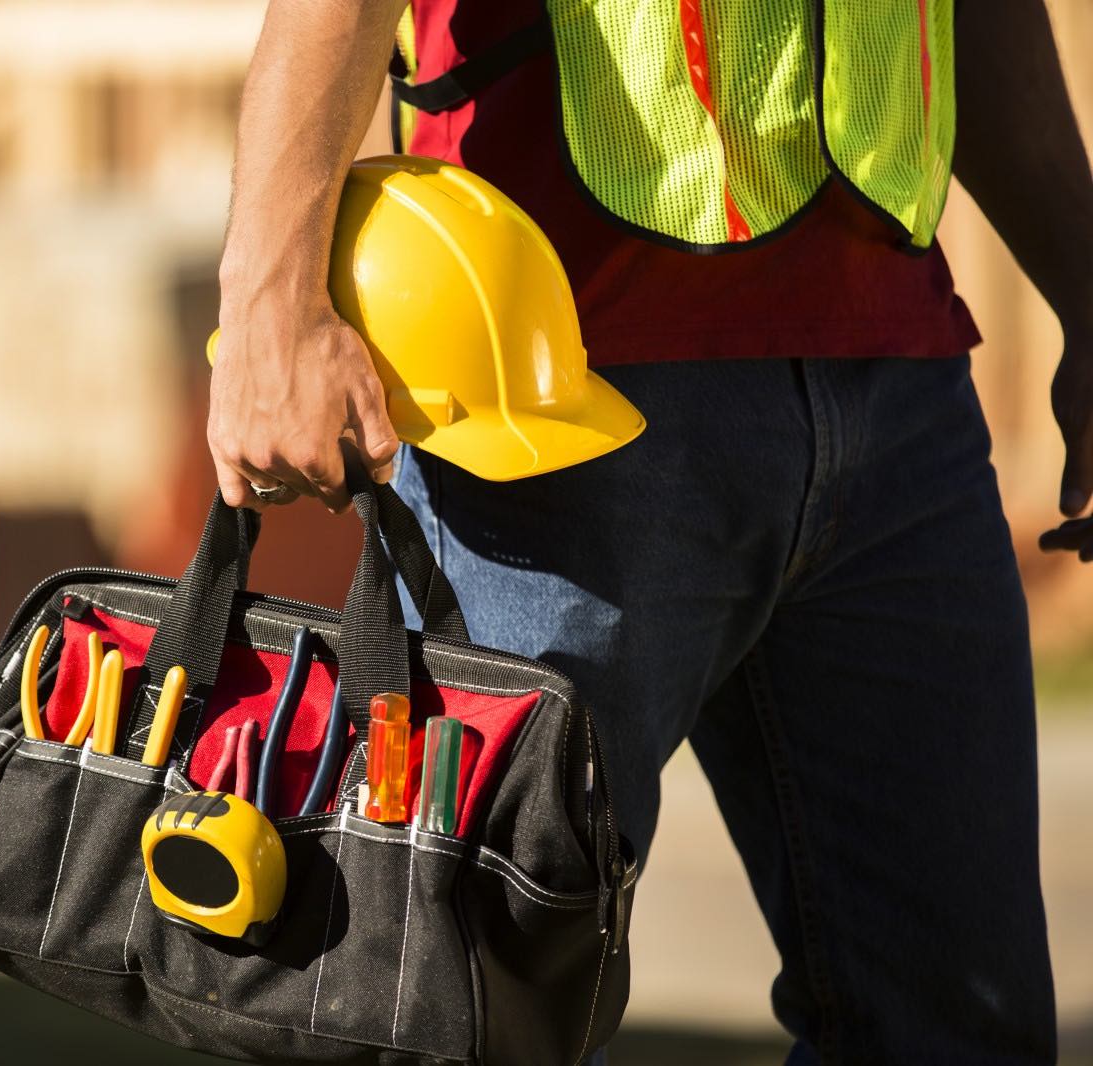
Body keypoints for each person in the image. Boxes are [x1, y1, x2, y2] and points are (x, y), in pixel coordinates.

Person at [207, 2, 1091, 1062]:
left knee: (959, 1034)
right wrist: (269, 296)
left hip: (895, 383)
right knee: (451, 1017)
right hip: (551, 393)